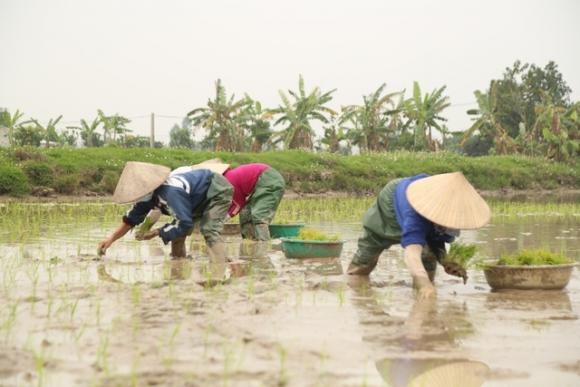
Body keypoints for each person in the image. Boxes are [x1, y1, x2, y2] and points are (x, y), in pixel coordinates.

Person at [347, 172, 490, 300]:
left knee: (429, 256)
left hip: (421, 205)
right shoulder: (414, 215)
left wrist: (446, 261)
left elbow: (437, 239)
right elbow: (412, 253)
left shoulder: (452, 215)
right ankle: (354, 283)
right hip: (391, 205)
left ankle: (422, 299)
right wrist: (423, 283)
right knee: (368, 253)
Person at [97, 161, 233, 262]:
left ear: (148, 187)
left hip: (216, 190)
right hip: (194, 198)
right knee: (178, 234)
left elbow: (185, 222)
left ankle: (221, 264)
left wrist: (156, 232)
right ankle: (179, 263)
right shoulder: (147, 197)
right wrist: (110, 239)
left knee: (209, 229)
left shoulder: (171, 192)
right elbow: (130, 220)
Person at [223, 163, 285, 241]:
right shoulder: (228, 178)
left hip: (270, 180)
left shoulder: (229, 180)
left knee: (259, 215)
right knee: (246, 214)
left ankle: (264, 245)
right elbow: (236, 202)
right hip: (261, 184)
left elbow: (238, 204)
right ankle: (250, 242)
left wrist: (224, 218)